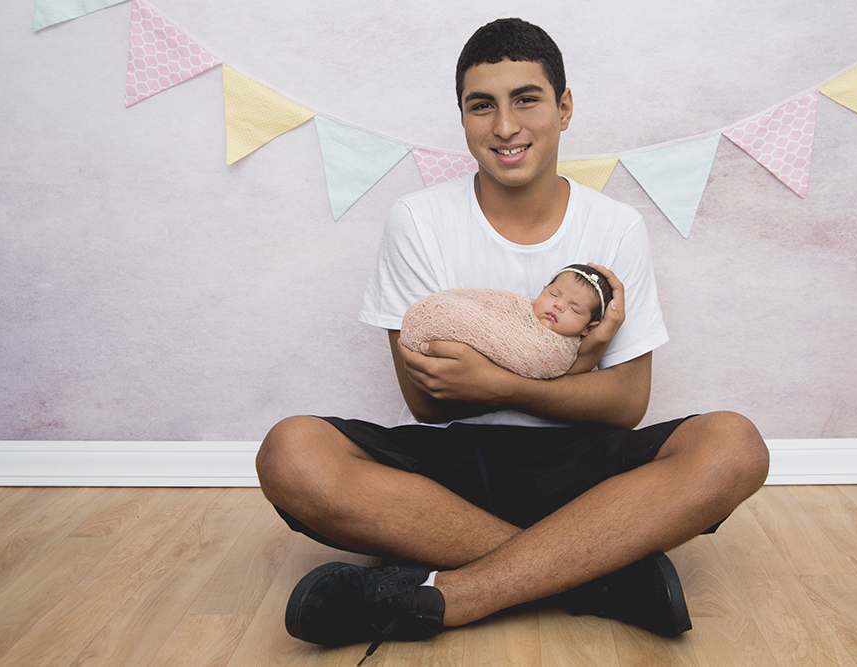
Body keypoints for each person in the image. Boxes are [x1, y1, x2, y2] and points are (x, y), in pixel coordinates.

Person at [256, 17, 769, 663]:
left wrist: (498, 382)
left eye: (526, 98)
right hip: (449, 469)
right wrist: (579, 362)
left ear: (564, 107)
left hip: (582, 467)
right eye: (482, 105)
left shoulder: (614, 225)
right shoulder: (419, 220)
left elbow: (626, 403)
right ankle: (600, 572)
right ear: (463, 116)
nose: (504, 126)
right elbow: (430, 403)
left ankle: (454, 594)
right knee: (290, 451)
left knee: (733, 445)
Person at [400, 263, 615, 379]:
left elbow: (533, 359)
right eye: (553, 294)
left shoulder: (561, 352)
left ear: (588, 329)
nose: (558, 305)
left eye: (574, 309)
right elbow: (486, 304)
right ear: (542, 291)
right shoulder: (519, 306)